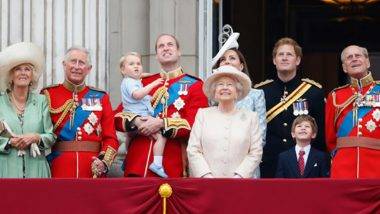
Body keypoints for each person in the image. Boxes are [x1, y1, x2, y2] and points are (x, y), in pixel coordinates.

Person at [114, 34, 208, 177]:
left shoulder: (195, 85)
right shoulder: (143, 83)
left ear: (178, 51)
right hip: (137, 162)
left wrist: (161, 123)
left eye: (170, 44)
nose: (165, 48)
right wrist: (136, 121)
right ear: (156, 55)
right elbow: (117, 117)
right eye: (161, 46)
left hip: (172, 165)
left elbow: (196, 125)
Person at [41, 46, 118, 178]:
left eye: (81, 63)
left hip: (92, 168)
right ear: (64, 65)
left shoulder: (101, 97)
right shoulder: (48, 94)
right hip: (59, 167)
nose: (77, 66)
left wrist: (104, 162)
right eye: (73, 61)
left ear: (89, 69)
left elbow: (110, 137)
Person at [255, 37, 326, 178]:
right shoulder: (261, 92)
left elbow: (320, 132)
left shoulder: (313, 91)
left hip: (302, 163)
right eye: (280, 54)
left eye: (289, 54)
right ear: (274, 60)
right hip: (269, 162)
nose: (284, 58)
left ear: (298, 60)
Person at [187, 65, 262, 178]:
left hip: (240, 185)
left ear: (237, 91)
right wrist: (206, 176)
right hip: (207, 184)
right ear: (214, 91)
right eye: (220, 84)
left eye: (230, 85)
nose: (225, 88)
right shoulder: (203, 114)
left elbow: (255, 152)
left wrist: (239, 176)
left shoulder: (251, 117)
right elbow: (193, 149)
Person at [212, 35, 266, 178]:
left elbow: (260, 137)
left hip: (246, 169)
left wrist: (242, 170)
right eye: (223, 59)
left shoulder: (256, 95)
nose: (227, 61)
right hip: (216, 167)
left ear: (241, 66)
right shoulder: (211, 96)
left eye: (232, 58)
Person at [0, 42, 56, 178]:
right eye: (18, 69)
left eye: (27, 69)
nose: (23, 73)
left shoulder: (42, 101)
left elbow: (51, 136)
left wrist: (36, 137)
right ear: (11, 75)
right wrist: (8, 142)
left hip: (36, 169)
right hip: (6, 169)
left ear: (32, 76)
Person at [326, 45, 380, 178]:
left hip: (376, 165)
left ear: (367, 62)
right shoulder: (335, 96)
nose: (354, 59)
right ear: (344, 67)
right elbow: (330, 139)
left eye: (358, 56)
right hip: (343, 167)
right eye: (349, 57)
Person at [119, 52, 168, 177]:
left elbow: (140, 75)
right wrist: (154, 83)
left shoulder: (130, 79)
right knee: (161, 137)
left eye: (138, 64)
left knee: (130, 137)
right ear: (123, 70)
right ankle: (157, 164)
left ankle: (127, 158)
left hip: (131, 116)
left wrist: (149, 75)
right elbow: (137, 95)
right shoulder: (130, 82)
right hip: (139, 116)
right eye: (131, 64)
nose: (136, 66)